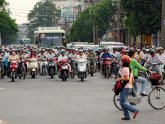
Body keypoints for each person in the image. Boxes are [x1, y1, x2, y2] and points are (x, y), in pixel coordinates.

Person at [118, 55, 139, 120]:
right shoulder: (129, 68)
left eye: (121, 61)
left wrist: (118, 78)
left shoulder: (124, 69)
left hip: (125, 86)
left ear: (124, 62)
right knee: (122, 102)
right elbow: (131, 79)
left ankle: (134, 110)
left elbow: (126, 78)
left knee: (122, 102)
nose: (120, 62)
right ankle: (127, 116)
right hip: (128, 86)